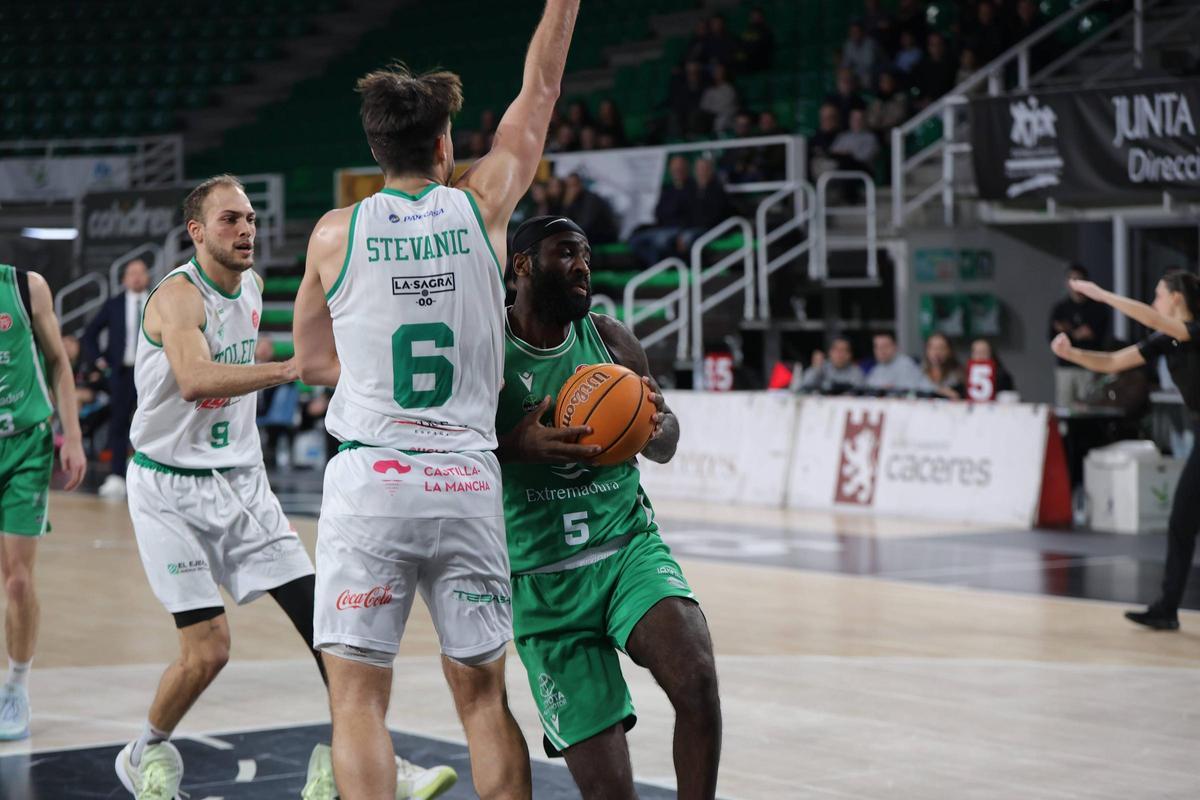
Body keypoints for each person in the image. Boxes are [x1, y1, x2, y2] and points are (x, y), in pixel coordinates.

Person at [291, 2, 581, 796]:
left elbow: (313, 363)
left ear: (374, 149)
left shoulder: (331, 234)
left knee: (356, 703)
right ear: (447, 144)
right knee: (484, 699)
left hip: (372, 481)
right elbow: (541, 91)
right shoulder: (481, 204)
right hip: (465, 482)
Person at [114, 176, 453, 800]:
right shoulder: (176, 299)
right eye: (229, 220)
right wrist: (289, 369)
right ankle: (145, 750)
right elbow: (191, 379)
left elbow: (251, 351)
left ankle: (355, 762)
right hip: (167, 489)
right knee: (209, 651)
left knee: (333, 632)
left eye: (249, 219)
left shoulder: (253, 288)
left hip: (243, 485)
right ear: (196, 232)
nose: (246, 230)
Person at [496, 216, 721, 799]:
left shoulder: (611, 339)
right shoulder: (484, 351)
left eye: (587, 256)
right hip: (543, 583)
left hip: (626, 553)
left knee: (696, 680)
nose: (582, 266)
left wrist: (649, 427)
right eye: (566, 252)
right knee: (609, 793)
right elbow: (449, 454)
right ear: (522, 264)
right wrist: (519, 445)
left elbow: (668, 442)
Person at [1050, 271, 1200, 631]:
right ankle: (1166, 609)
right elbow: (1113, 362)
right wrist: (1073, 354)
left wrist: (1101, 294)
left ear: (1177, 298)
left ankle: (1166, 608)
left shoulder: (1194, 331)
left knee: (1183, 520)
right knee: (1182, 522)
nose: (1154, 302)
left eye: (1158, 295)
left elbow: (1149, 318)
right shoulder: (1168, 340)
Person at [0, 264, 87, 740]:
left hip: (26, 446)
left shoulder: (23, 286)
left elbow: (57, 361)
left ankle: (15, 687)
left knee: (16, 581)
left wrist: (71, 436)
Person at [82, 257, 150, 500]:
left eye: (141, 272)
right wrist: (100, 362)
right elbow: (89, 335)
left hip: (150, 373)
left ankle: (149, 479)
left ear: (147, 277)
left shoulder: (156, 301)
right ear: (124, 279)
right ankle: (116, 476)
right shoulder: (114, 304)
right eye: (132, 273)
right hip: (121, 372)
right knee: (119, 424)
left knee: (151, 424)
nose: (137, 277)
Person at [1049, 264, 1110, 405]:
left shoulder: (1097, 308)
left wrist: (1068, 331)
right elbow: (1053, 336)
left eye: (1078, 280)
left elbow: (1094, 334)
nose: (1074, 284)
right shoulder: (1060, 309)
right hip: (1065, 367)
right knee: (1064, 406)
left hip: (1088, 365)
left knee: (1089, 406)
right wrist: (1073, 333)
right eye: (1071, 280)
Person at [561, 173, 618, 245]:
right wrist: (567, 205)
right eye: (568, 186)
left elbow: (586, 224)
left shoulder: (590, 199)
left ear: (580, 185)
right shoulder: (571, 200)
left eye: (574, 185)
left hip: (605, 234)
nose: (571, 189)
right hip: (591, 234)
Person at [919, 332, 965, 399]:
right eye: (932, 348)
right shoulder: (918, 372)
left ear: (949, 351)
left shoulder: (958, 376)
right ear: (927, 351)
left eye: (941, 348)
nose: (936, 352)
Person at [698, 63, 738, 136]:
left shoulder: (729, 89)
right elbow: (704, 106)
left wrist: (714, 111)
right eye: (715, 72)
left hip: (726, 115)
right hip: (710, 116)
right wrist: (711, 113)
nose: (717, 74)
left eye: (720, 71)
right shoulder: (709, 90)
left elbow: (727, 105)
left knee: (721, 119)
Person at [841, 20, 883, 88]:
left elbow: (869, 65)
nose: (854, 34)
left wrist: (853, 72)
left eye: (856, 31)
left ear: (862, 32)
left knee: (867, 78)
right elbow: (846, 64)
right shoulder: (848, 44)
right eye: (852, 32)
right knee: (844, 77)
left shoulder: (870, 43)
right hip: (857, 74)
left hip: (874, 72)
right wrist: (846, 72)